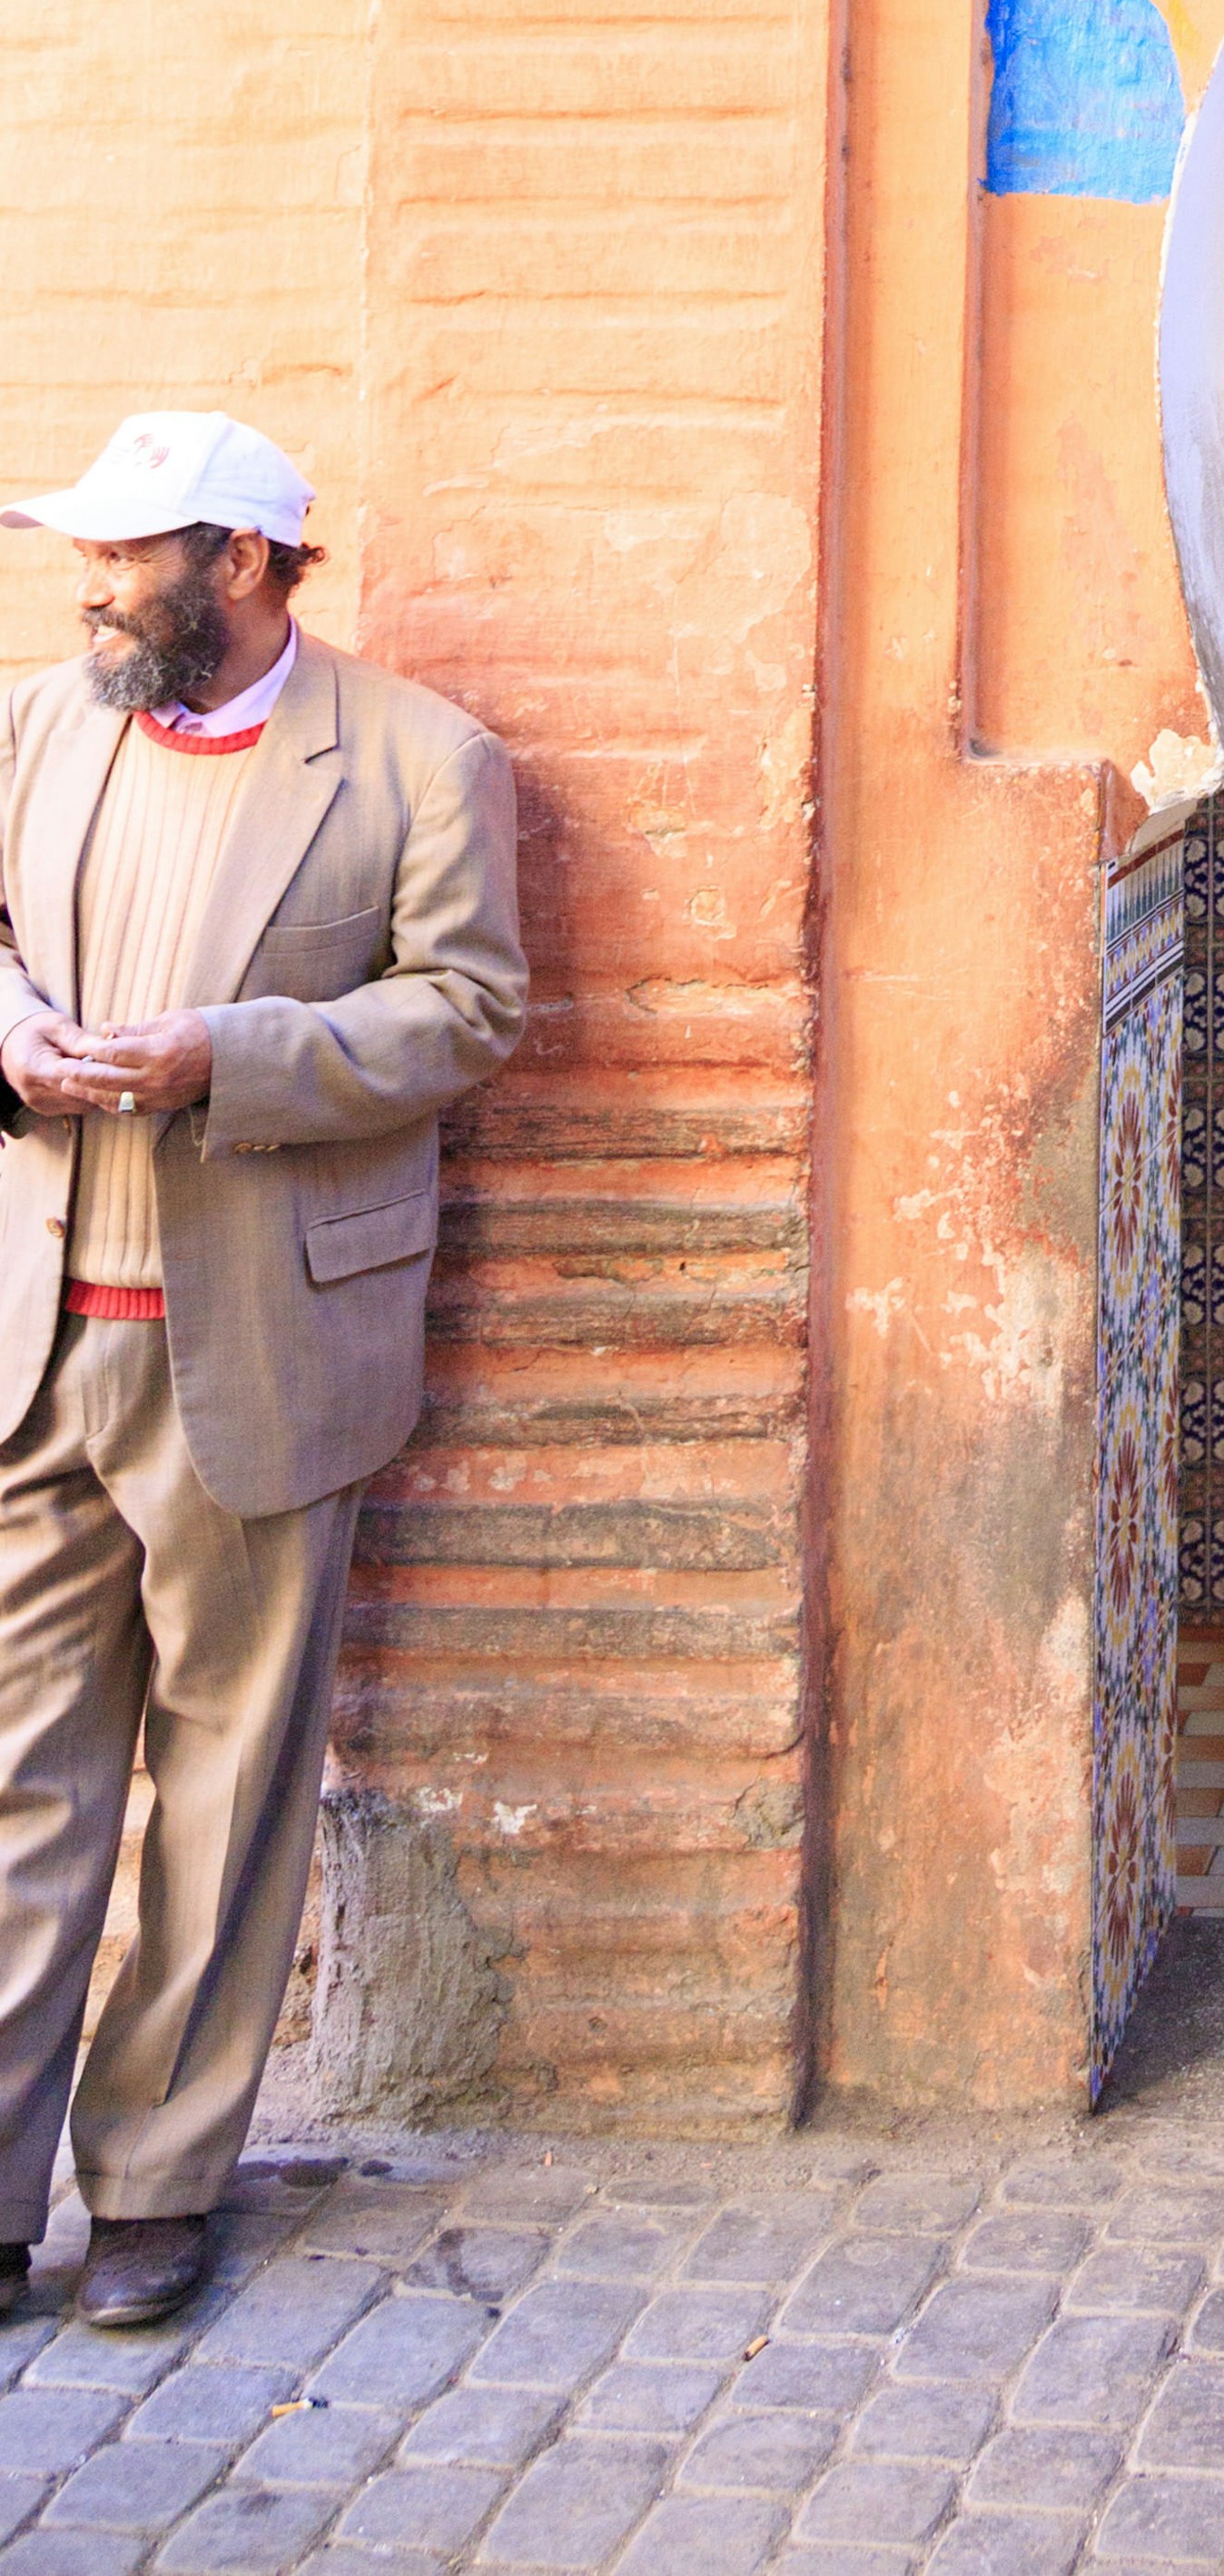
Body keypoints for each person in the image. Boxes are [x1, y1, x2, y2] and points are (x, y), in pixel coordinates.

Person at [0, 413, 525, 2326]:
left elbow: (469, 1007)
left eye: (128, 553)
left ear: (237, 560)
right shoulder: (43, 719)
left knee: (225, 1787)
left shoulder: (415, 755)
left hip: (261, 1358)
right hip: (34, 1344)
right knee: (18, 1779)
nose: (89, 582)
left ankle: (154, 2182)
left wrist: (235, 1051)